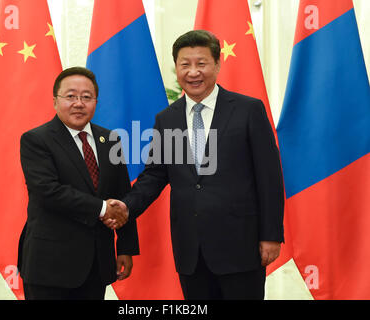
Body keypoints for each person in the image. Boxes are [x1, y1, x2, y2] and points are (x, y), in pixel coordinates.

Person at [108, 30, 284, 300]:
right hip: (191, 249)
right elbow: (155, 175)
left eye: (201, 64)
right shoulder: (167, 119)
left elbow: (269, 177)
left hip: (241, 246)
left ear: (217, 65)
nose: (193, 72)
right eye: (185, 64)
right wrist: (126, 206)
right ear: (176, 67)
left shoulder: (248, 110)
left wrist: (271, 235)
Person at [17, 67, 139, 300]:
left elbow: (122, 194)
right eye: (70, 96)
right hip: (50, 266)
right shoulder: (36, 140)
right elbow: (48, 192)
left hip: (97, 263)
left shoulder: (110, 139)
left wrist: (125, 247)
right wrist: (103, 208)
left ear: (95, 102)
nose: (79, 103)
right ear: (55, 101)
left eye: (86, 97)